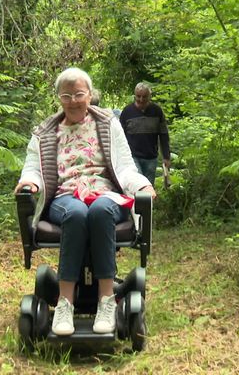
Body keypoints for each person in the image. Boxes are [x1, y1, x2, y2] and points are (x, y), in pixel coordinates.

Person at [15, 68, 156, 336]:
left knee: (101, 210)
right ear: (59, 97)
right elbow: (33, 166)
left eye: (79, 94)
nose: (74, 100)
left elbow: (125, 166)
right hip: (65, 196)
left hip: (105, 194)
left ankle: (106, 300)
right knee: (77, 212)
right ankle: (65, 302)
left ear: (90, 95)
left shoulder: (108, 124)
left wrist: (141, 184)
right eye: (66, 95)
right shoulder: (45, 131)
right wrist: (30, 181)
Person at [120, 82, 171, 185]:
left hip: (151, 157)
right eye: (138, 96)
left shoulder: (157, 111)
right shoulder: (127, 112)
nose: (141, 99)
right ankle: (136, 201)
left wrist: (166, 157)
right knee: (138, 186)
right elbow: (120, 136)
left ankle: (148, 201)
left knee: (148, 187)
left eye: (144, 96)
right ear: (135, 95)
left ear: (149, 96)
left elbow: (163, 135)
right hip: (132, 157)